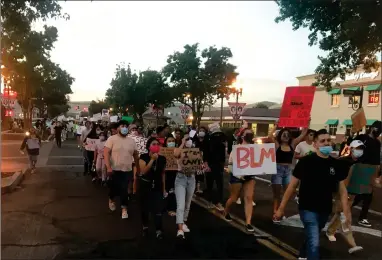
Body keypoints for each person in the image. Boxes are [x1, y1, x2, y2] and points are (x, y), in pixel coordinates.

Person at [274, 129, 351, 260]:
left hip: (324, 209)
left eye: (328, 140)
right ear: (315, 144)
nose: (326, 143)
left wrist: (346, 212)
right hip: (307, 208)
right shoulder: (305, 162)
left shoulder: (335, 164)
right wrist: (281, 209)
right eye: (322, 141)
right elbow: (292, 186)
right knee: (314, 244)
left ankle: (303, 253)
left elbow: (342, 190)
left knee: (312, 235)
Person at [326, 140, 365, 254]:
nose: (359, 151)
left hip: (353, 192)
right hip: (342, 191)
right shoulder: (343, 161)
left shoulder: (362, 163)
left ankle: (331, 230)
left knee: (341, 212)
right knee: (342, 212)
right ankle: (350, 242)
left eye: (361, 148)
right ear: (351, 149)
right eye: (357, 148)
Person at [104, 120, 141, 219]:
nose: (124, 128)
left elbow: (136, 155)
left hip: (127, 169)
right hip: (114, 169)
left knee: (124, 189)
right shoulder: (111, 139)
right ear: (118, 128)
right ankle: (111, 199)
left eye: (126, 126)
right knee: (114, 189)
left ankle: (124, 208)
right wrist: (108, 167)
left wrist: (138, 169)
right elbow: (106, 153)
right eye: (122, 126)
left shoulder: (131, 141)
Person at [269, 127, 307, 222]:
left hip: (288, 171)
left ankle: (281, 211)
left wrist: (307, 122)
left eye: (287, 134)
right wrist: (275, 126)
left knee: (287, 193)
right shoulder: (277, 145)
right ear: (280, 136)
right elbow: (270, 136)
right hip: (277, 170)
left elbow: (302, 135)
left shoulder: (292, 145)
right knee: (277, 194)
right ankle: (275, 211)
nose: (286, 136)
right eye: (284, 134)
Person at [224, 128, 256, 232]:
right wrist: (239, 175)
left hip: (250, 176)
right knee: (233, 198)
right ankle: (226, 211)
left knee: (249, 198)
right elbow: (230, 165)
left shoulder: (255, 149)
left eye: (251, 133)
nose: (250, 135)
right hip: (237, 176)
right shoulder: (237, 148)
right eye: (248, 134)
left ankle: (248, 222)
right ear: (242, 136)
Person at [351, 120, 381, 227]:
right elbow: (352, 146)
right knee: (359, 193)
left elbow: (377, 159)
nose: (378, 132)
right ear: (373, 128)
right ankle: (345, 208)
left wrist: (377, 172)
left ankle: (362, 217)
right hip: (360, 168)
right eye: (378, 129)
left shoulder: (377, 143)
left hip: (371, 170)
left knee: (367, 195)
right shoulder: (362, 138)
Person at [139, 137, 167, 239]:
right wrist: (152, 160)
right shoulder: (143, 157)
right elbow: (143, 171)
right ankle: (145, 227)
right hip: (146, 186)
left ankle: (159, 230)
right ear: (148, 146)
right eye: (153, 144)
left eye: (157, 144)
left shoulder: (163, 159)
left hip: (158, 187)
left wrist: (164, 188)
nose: (156, 146)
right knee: (145, 209)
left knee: (158, 209)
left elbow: (163, 174)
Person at [174, 133, 196, 239]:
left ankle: (183, 222)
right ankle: (179, 228)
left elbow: (198, 165)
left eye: (189, 139)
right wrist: (182, 142)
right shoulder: (179, 150)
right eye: (187, 139)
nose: (188, 141)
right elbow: (176, 154)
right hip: (180, 178)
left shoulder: (195, 151)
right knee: (181, 205)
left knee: (187, 204)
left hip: (191, 178)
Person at [204, 125, 226, 211]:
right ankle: (209, 201)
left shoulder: (222, 145)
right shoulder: (208, 143)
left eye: (218, 134)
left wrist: (222, 167)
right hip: (210, 166)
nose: (217, 136)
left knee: (219, 185)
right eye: (215, 134)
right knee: (210, 185)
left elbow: (223, 158)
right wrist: (206, 165)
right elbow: (205, 156)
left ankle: (218, 202)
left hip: (218, 167)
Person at [164, 136, 178, 217]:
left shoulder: (178, 151)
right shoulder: (162, 152)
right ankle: (168, 208)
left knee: (173, 192)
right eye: (169, 141)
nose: (171, 142)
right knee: (168, 191)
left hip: (176, 174)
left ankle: (172, 208)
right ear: (166, 143)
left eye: (173, 141)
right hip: (166, 175)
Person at [193, 126, 208, 194]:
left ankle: (198, 187)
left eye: (203, 131)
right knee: (194, 174)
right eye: (200, 130)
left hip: (202, 160)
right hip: (194, 159)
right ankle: (193, 187)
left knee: (200, 174)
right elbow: (190, 136)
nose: (202, 132)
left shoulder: (207, 140)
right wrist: (194, 130)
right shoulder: (195, 139)